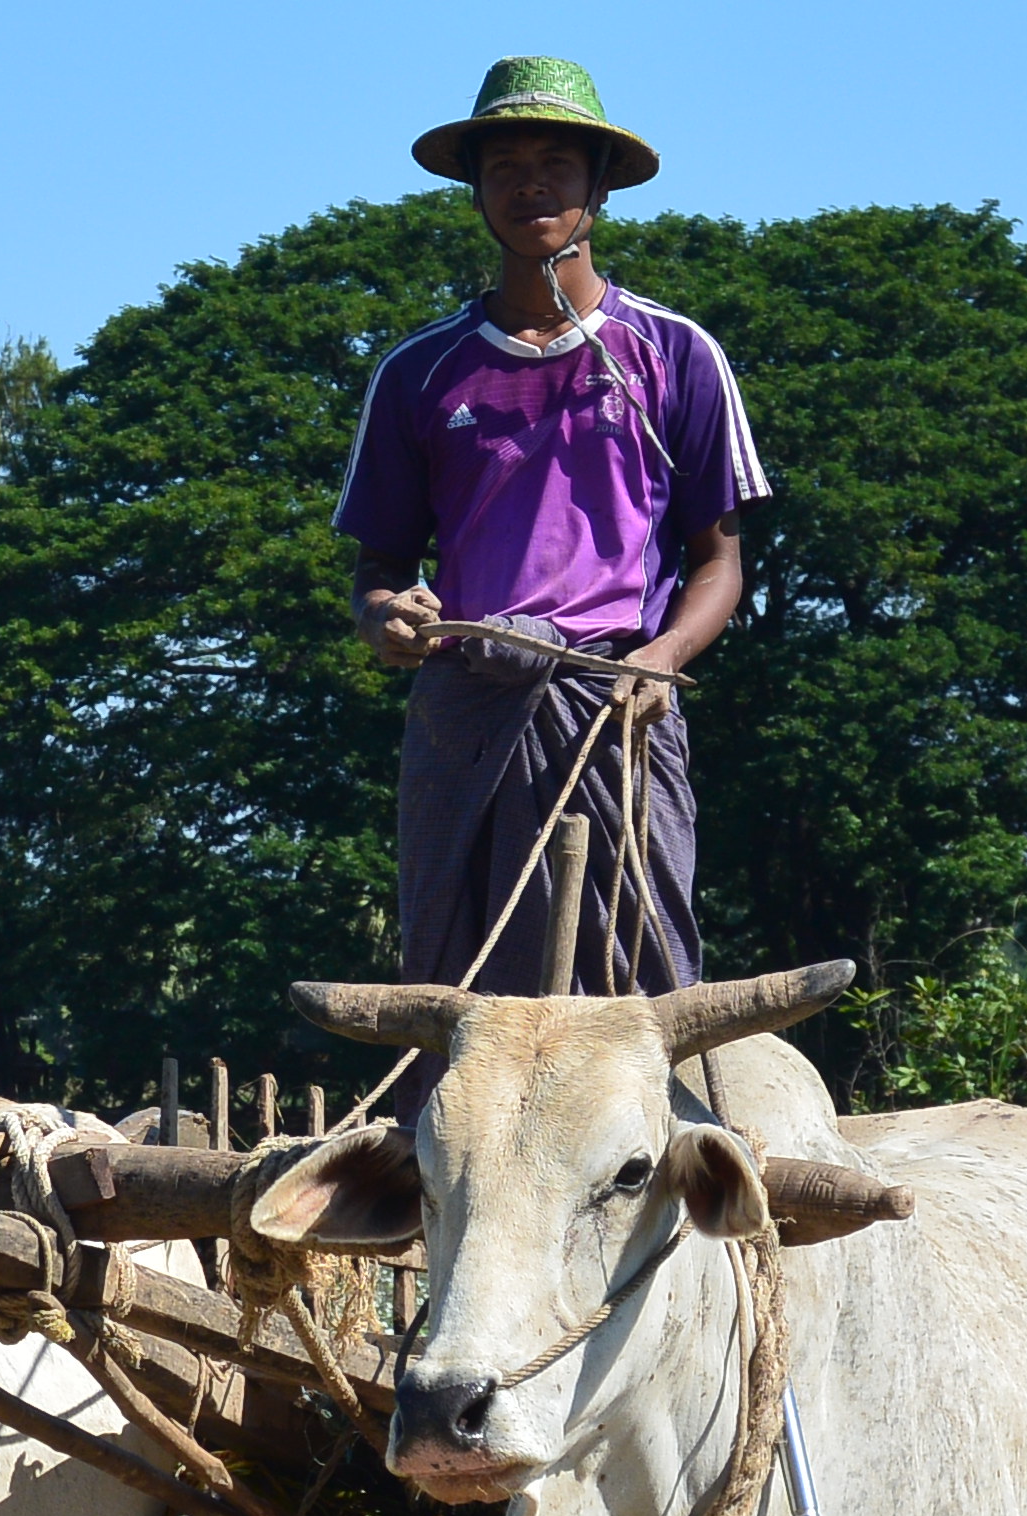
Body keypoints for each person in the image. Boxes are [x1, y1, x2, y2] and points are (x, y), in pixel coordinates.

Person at [336, 57, 768, 1002]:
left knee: (642, 986)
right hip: (466, 708)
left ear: (599, 186)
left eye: (555, 165)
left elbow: (719, 562)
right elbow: (379, 565)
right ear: (475, 190)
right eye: (505, 166)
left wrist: (663, 659)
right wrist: (383, 618)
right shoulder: (419, 372)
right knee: (454, 991)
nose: (529, 184)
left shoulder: (676, 354)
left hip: (617, 701)